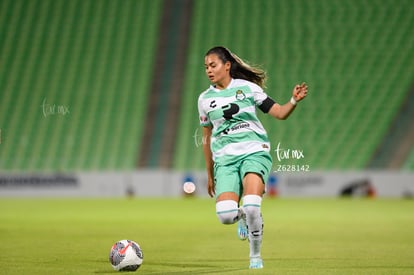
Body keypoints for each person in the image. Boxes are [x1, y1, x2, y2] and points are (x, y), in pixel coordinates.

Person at [197, 46, 308, 269]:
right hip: (225, 161)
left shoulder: (248, 88)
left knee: (251, 205)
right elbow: (207, 138)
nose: (209, 70)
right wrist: (209, 174)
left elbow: (278, 112)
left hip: (254, 152)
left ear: (227, 66)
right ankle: (245, 217)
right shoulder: (204, 99)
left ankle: (255, 256)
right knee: (226, 215)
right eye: (206, 67)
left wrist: (293, 101)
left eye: (213, 65)